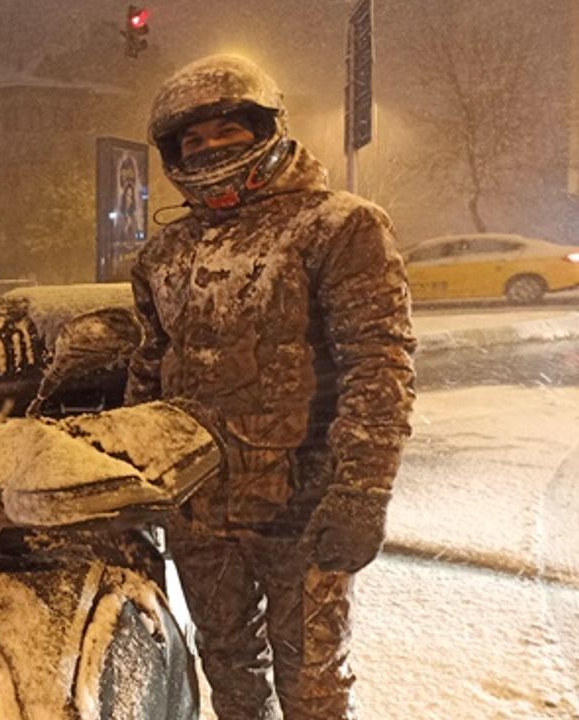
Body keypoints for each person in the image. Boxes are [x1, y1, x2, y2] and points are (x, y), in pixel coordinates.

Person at [126, 55, 416, 719]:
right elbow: (149, 371)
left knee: (313, 688)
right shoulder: (162, 257)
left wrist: (363, 490)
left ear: (264, 129)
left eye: (226, 131)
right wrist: (131, 477)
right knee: (227, 671)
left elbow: (380, 362)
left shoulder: (339, 227)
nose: (209, 149)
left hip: (303, 508)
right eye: (192, 140)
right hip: (200, 513)